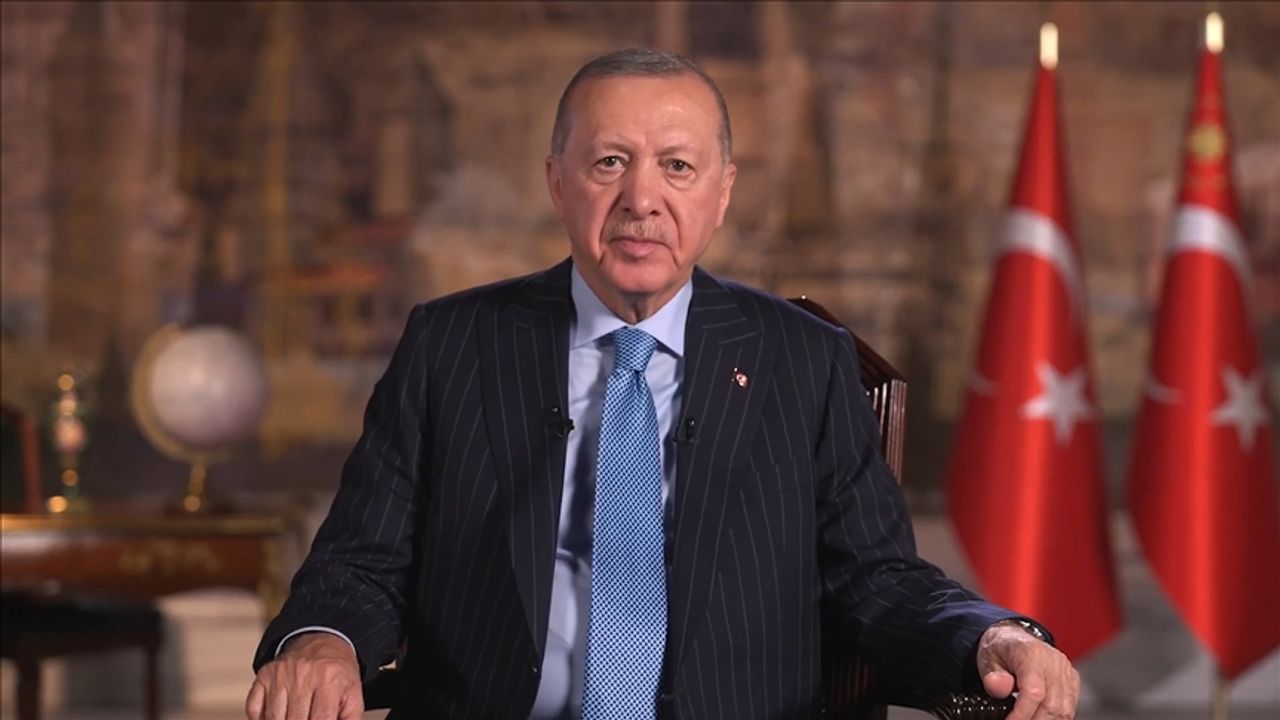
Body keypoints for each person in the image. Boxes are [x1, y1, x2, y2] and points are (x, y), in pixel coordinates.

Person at [246, 48, 1079, 720]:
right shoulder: (452, 345)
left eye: (677, 166)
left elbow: (881, 580)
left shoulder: (804, 361)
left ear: (722, 194)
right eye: (610, 162)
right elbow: (359, 564)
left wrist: (994, 637)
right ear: (557, 181)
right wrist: (323, 643)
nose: (640, 198)